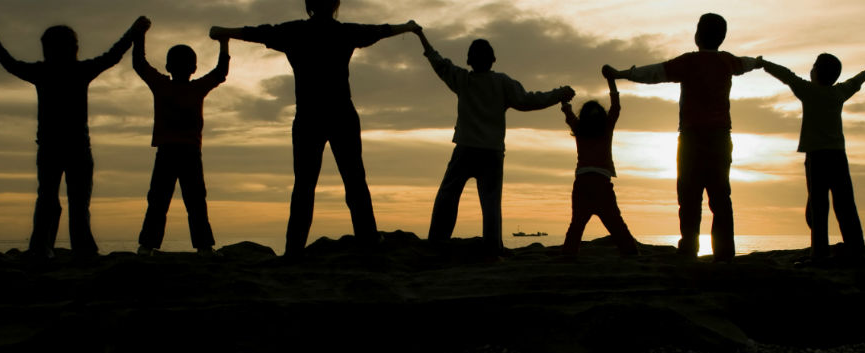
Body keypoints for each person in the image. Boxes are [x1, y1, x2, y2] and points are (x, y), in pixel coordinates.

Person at [209, 0, 418, 256]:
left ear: (309, 5)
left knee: (305, 186)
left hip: (309, 115)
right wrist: (406, 27)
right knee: (354, 181)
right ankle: (367, 240)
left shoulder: (295, 32)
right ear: (335, 5)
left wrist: (224, 31)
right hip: (340, 112)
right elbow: (379, 30)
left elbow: (257, 32)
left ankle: (294, 249)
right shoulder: (343, 32)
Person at [0, 18, 145, 258]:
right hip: (75, 147)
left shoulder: (43, 72)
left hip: (51, 147)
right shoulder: (78, 70)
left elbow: (11, 65)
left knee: (48, 199)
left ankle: (42, 247)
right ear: (74, 48)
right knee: (76, 202)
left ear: (47, 48)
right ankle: (80, 249)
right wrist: (133, 32)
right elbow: (112, 56)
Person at [603, 13, 760, 261]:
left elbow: (654, 73)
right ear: (722, 37)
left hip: (692, 138)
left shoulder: (689, 62)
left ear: (697, 35)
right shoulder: (727, 61)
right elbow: (747, 62)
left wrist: (622, 74)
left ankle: (689, 248)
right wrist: (758, 62)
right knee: (720, 197)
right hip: (720, 138)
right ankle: (725, 252)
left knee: (689, 196)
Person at [412, 28, 574, 256]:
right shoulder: (501, 82)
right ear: (493, 60)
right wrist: (559, 94)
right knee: (490, 202)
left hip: (466, 148)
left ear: (469, 60)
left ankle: (438, 241)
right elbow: (528, 100)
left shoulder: (463, 80)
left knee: (448, 195)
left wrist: (422, 38)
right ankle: (492, 246)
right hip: (491, 151)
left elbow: (440, 64)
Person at [758, 54, 865, 263]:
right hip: (837, 156)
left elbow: (787, 76)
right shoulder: (839, 92)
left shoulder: (808, 91)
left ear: (815, 72)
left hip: (816, 157)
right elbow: (855, 82)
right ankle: (857, 250)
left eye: (814, 66)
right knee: (845, 204)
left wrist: (764, 64)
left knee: (818, 206)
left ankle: (819, 253)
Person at [131, 17, 231, 257]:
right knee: (192, 200)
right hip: (185, 152)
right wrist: (224, 43)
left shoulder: (163, 84)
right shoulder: (194, 87)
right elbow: (220, 72)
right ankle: (203, 247)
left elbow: (139, 64)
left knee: (161, 200)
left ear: (168, 66)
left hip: (170, 151)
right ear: (194, 68)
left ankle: (148, 246)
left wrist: (140, 34)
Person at [559, 76, 639, 256]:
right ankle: (631, 252)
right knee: (615, 223)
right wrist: (611, 81)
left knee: (577, 224)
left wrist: (564, 98)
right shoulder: (605, 127)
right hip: (601, 183)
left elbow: (568, 112)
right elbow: (616, 108)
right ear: (602, 117)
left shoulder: (580, 128)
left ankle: (568, 255)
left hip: (582, 182)